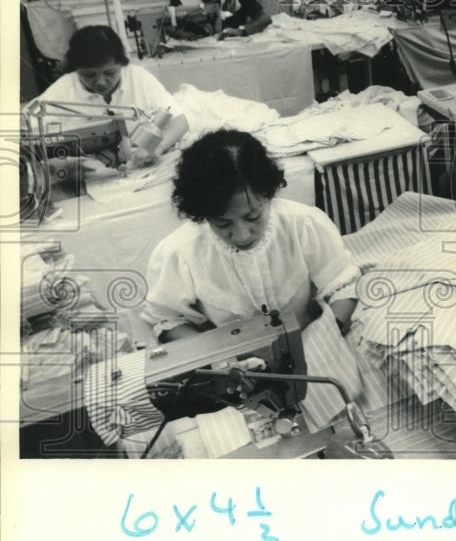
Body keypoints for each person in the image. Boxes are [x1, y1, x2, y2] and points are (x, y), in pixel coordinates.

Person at [142, 129, 359, 344]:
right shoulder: (180, 252)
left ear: (270, 194)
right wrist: (219, 360)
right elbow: (166, 319)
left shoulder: (303, 225)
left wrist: (322, 342)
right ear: (202, 214)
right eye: (223, 223)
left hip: (313, 346)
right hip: (234, 365)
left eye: (253, 216)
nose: (242, 235)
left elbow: (343, 288)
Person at [32, 25, 188, 168]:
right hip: (90, 172)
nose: (100, 82)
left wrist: (157, 146)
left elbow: (179, 120)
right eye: (88, 75)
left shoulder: (138, 77)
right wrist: (60, 161)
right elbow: (29, 135)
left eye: (110, 73)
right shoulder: (62, 90)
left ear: (122, 63)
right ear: (76, 69)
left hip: (140, 165)